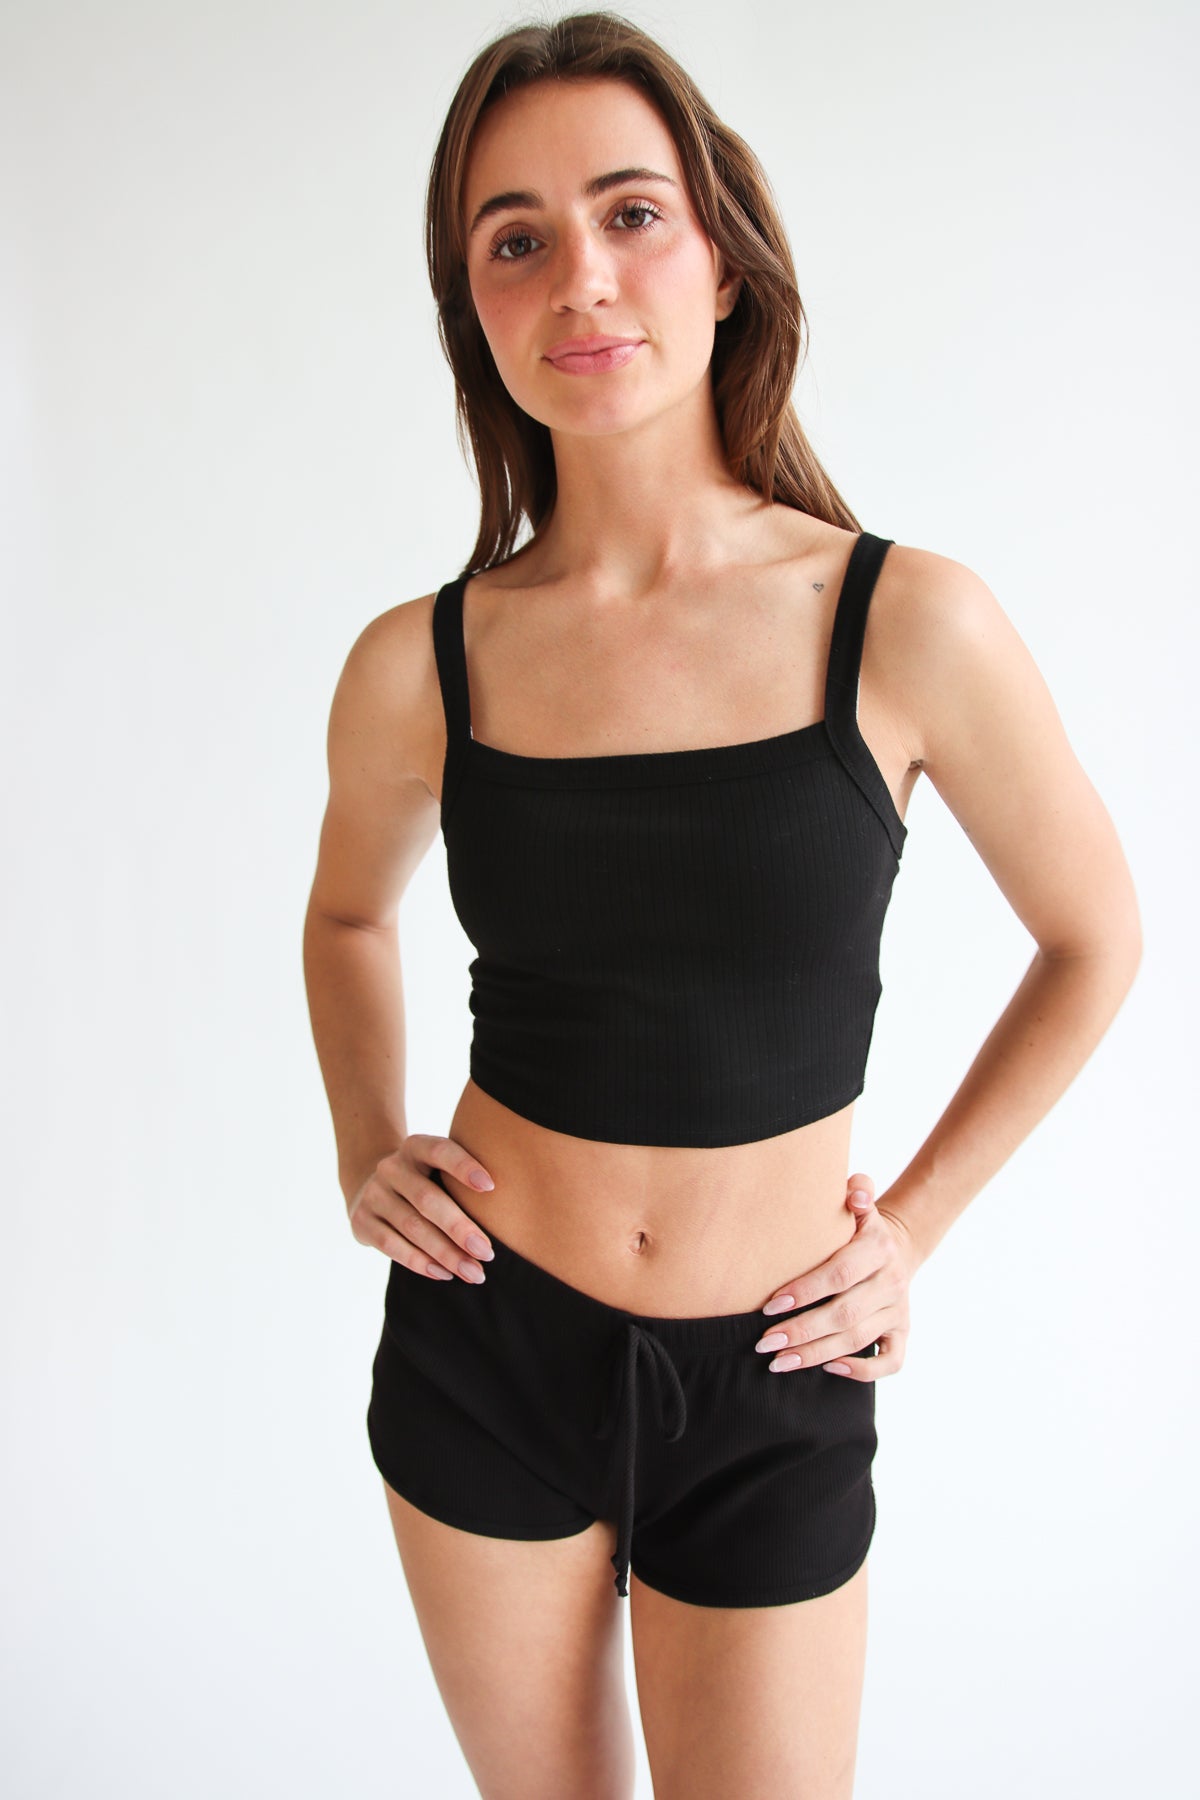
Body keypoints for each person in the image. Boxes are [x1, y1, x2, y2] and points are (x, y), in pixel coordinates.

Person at [302, 13, 1142, 1798]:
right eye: (514, 238)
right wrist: (361, 1133)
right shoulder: (421, 664)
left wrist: (910, 1229)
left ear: (725, 259)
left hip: (776, 1374)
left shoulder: (906, 623)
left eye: (632, 212)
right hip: (483, 1346)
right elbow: (346, 920)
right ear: (477, 311)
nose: (581, 276)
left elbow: (1097, 939)